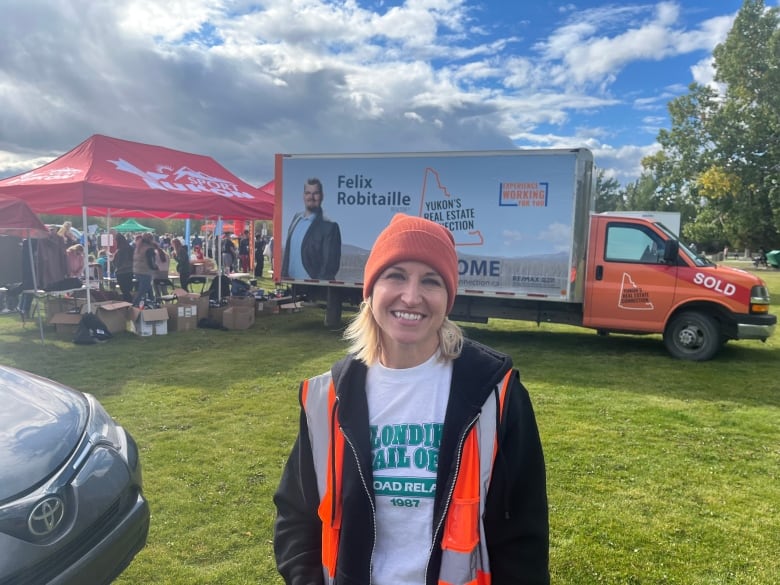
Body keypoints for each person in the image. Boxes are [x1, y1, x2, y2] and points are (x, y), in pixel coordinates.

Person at [273, 214, 549, 585]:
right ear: (370, 290)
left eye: (431, 281)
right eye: (396, 275)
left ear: (448, 299)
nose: (412, 296)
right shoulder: (328, 398)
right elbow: (296, 517)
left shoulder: (495, 396)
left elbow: (523, 540)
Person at [281, 177, 341, 280]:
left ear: (321, 196)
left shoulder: (329, 227)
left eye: (315, 193)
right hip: (293, 283)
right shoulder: (296, 219)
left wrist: (317, 284)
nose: (311, 197)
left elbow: (329, 265)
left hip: (313, 287)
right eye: (308, 193)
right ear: (303, 196)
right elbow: (288, 253)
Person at [131, 233, 158, 307]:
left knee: (149, 288)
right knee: (142, 290)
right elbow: (150, 261)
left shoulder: (138, 247)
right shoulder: (149, 248)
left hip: (137, 271)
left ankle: (152, 302)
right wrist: (155, 267)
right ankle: (134, 305)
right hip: (145, 271)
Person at [113, 234, 135, 302]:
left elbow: (117, 263)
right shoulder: (131, 248)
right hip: (130, 271)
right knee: (128, 290)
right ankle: (130, 305)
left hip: (121, 273)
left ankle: (128, 305)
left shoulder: (119, 251)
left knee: (125, 292)